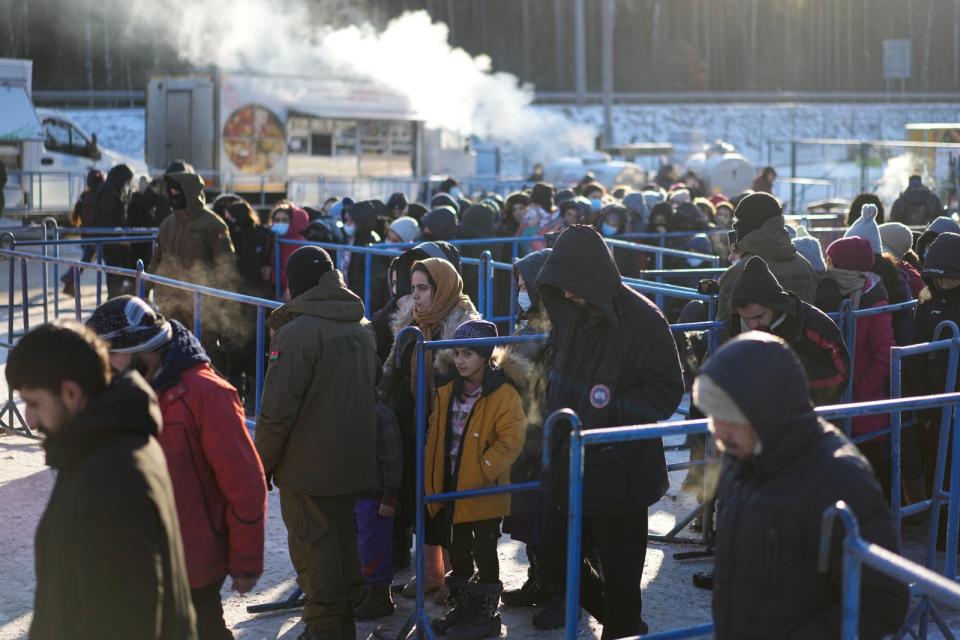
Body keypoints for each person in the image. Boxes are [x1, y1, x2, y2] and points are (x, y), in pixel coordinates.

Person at [694, 332, 908, 639]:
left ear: (768, 410)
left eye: (733, 419)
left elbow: (883, 602)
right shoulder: (741, 459)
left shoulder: (840, 478)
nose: (720, 433)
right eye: (716, 418)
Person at [534, 226, 685, 638]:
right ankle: (620, 622)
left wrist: (610, 410)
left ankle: (620, 623)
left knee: (622, 580)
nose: (565, 294)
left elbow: (668, 389)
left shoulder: (644, 321)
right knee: (551, 556)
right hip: (570, 464)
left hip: (621, 471)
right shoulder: (568, 316)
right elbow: (558, 373)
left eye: (572, 285)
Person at [87, 296, 266, 640]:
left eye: (111, 354)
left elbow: (245, 483)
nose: (104, 365)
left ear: (141, 347)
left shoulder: (207, 394)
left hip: (193, 565)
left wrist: (245, 561)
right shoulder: (118, 392)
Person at [7, 321, 197, 639]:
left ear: (70, 393)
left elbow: (124, 622)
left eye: (34, 403)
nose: (31, 420)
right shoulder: (108, 445)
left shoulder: (110, 478)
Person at [256, 246, 379, 640]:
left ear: (295, 284)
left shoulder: (296, 335)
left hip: (308, 465)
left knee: (314, 548)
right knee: (344, 536)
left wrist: (262, 463)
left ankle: (326, 628)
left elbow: (277, 411)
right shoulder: (361, 325)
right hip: (354, 457)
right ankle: (343, 618)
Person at [380, 257, 481, 601]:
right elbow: (392, 370)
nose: (417, 296)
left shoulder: (464, 324)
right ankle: (430, 572)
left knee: (447, 498)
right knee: (420, 494)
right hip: (415, 418)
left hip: (451, 422)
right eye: (414, 289)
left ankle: (455, 575)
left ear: (442, 288)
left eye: (424, 288)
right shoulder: (411, 321)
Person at [426, 320, 527, 639]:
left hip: (483, 487)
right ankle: (464, 606)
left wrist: (486, 465)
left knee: (484, 548)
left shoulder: (502, 392)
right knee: (457, 548)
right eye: (456, 353)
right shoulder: (447, 388)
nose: (460, 360)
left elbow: (513, 437)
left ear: (485, 356)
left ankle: (486, 614)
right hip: (452, 486)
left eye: (468, 353)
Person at [502, 249, 558, 615]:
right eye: (519, 284)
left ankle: (561, 592)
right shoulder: (528, 323)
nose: (521, 290)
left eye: (526, 284)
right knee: (529, 514)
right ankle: (537, 579)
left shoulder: (556, 328)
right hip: (524, 429)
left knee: (550, 516)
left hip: (545, 430)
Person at [819, 237, 895, 480]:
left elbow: (885, 354)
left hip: (864, 408)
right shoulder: (834, 294)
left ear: (842, 266)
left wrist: (859, 392)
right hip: (841, 402)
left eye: (830, 260)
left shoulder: (873, 298)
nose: (826, 266)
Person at [729, 256, 849, 405]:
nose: (752, 325)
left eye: (758, 316)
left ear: (774, 305)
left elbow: (841, 376)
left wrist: (788, 371)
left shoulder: (815, 324)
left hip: (809, 418)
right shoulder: (737, 324)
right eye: (745, 318)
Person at [717, 192, 818, 342]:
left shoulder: (739, 272)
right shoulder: (806, 265)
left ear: (750, 224)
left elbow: (722, 329)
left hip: (751, 357)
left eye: (739, 220)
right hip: (803, 357)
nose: (735, 225)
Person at [148, 171, 237, 326]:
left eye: (178, 191)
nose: (173, 194)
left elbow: (226, 263)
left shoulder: (213, 224)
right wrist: (144, 286)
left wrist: (221, 301)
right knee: (170, 343)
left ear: (190, 192)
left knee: (202, 345)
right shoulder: (167, 224)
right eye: (171, 191)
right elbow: (157, 259)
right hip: (168, 300)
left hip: (201, 302)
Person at [93, 164, 135, 298]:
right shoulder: (108, 191)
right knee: (117, 276)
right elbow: (110, 217)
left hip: (112, 242)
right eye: (127, 180)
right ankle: (114, 303)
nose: (127, 184)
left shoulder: (111, 189)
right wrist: (121, 237)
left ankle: (116, 301)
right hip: (112, 243)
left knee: (117, 276)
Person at [61, 168, 105, 296]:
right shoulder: (96, 197)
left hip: (88, 236)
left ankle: (70, 281)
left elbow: (77, 218)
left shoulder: (86, 196)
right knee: (88, 260)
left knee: (86, 260)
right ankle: (69, 278)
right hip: (95, 237)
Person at [344, 199, 390, 313]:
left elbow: (373, 283)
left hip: (361, 304)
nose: (346, 224)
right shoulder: (352, 239)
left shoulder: (371, 243)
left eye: (350, 221)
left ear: (361, 222)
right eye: (346, 220)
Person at [264, 202, 310, 299]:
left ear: (293, 222)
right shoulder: (275, 239)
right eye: (276, 220)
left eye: (284, 220)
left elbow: (299, 274)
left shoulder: (299, 243)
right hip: (278, 294)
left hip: (292, 296)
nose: (280, 223)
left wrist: (272, 274)